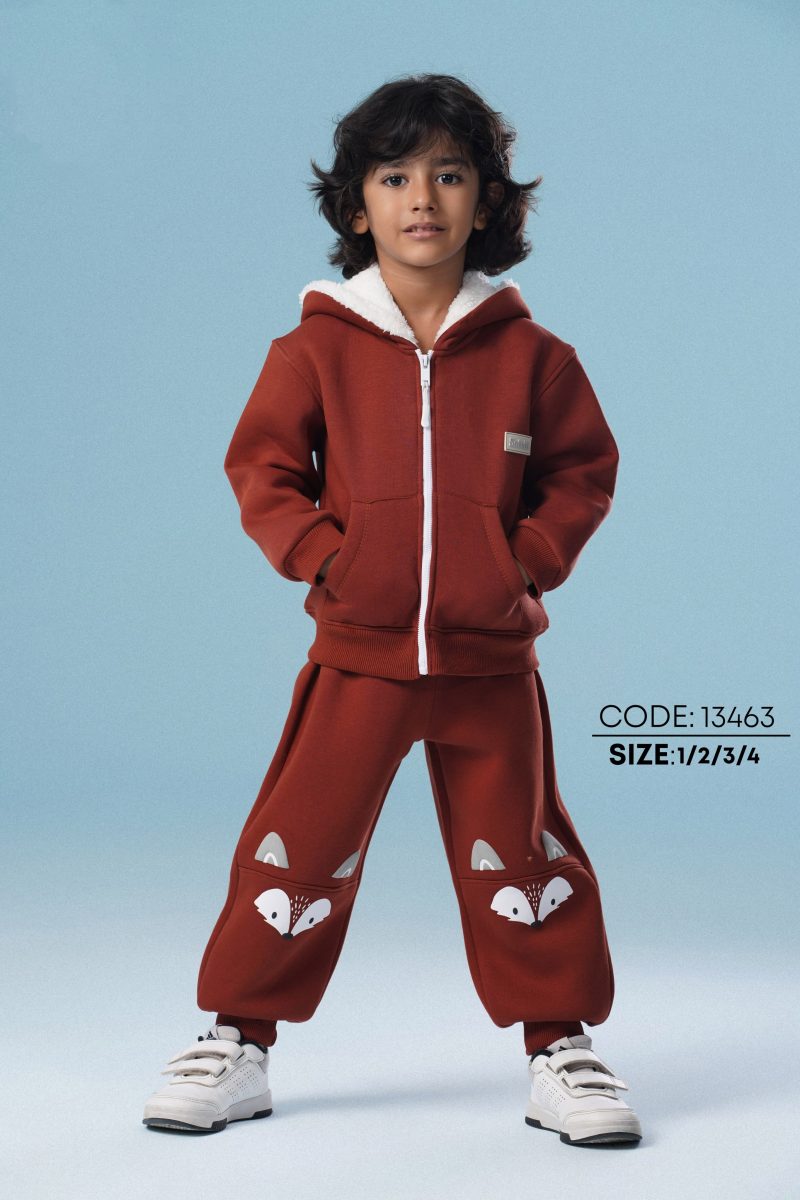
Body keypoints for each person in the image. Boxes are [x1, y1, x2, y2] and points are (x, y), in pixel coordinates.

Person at [142, 72, 642, 1147]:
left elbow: (582, 473)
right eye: (395, 175)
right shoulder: (314, 350)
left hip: (490, 663)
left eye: (450, 175)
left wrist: (523, 564)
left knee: (522, 852)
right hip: (357, 659)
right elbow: (263, 471)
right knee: (298, 841)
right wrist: (328, 561)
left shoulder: (533, 357)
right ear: (357, 204)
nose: (423, 198)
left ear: (487, 202)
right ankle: (239, 1039)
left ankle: (558, 1046)